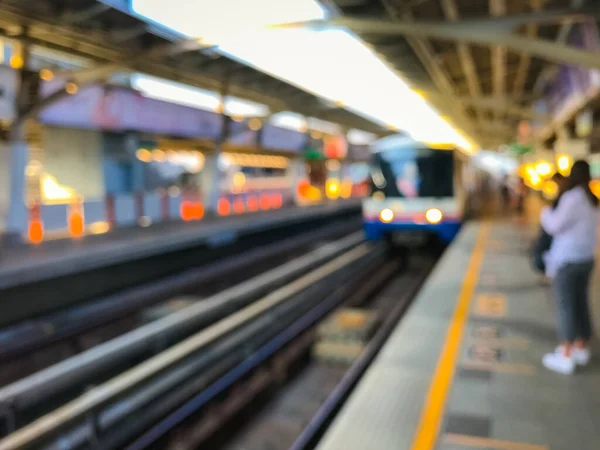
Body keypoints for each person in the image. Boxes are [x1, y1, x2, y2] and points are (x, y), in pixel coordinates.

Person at [541, 160, 599, 374]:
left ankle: (565, 353)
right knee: (581, 301)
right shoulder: (593, 199)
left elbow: (554, 226)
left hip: (568, 260)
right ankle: (581, 346)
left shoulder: (571, 198)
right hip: (586, 258)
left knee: (566, 305)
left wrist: (545, 213)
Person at [531, 173, 566, 274]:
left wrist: (546, 215)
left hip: (556, 232)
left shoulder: (568, 196)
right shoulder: (567, 195)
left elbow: (556, 224)